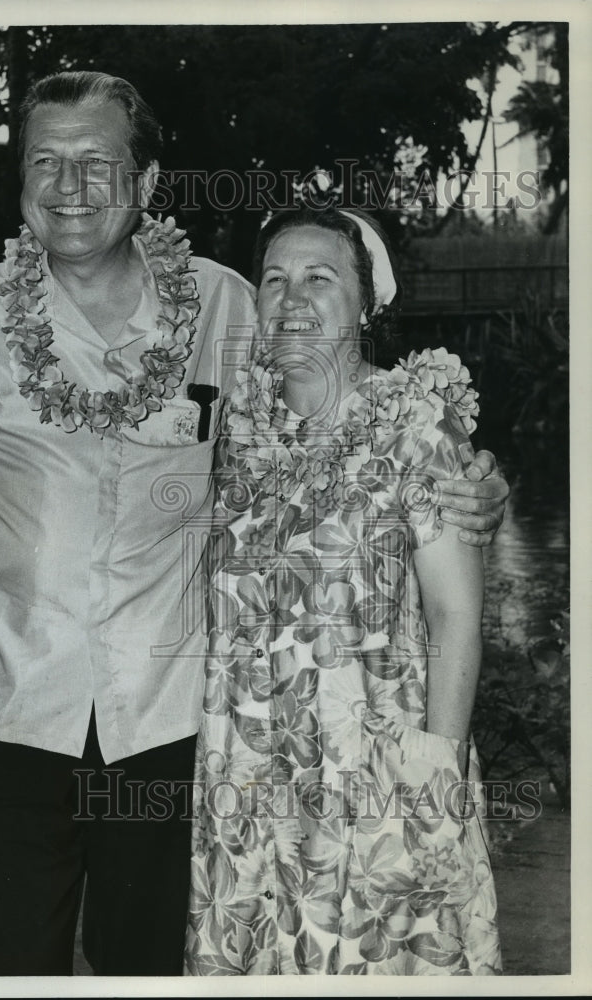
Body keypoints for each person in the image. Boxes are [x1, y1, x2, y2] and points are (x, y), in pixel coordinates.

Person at [0, 71, 507, 977]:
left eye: (96, 163)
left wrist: (470, 482)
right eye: (44, 163)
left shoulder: (223, 305)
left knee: (153, 973)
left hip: (168, 734)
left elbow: (345, 402)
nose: (68, 188)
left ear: (149, 182)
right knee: (16, 971)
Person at [185, 206, 502, 976]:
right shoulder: (234, 430)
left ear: (366, 302)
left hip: (379, 773)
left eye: (319, 279)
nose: (291, 298)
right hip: (249, 778)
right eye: (273, 279)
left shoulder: (416, 427)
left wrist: (437, 766)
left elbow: (454, 616)